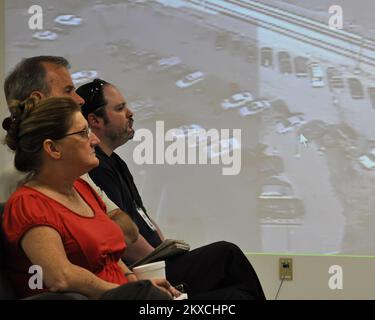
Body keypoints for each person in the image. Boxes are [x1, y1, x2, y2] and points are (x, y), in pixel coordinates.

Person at [77, 79, 266, 300]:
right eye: (119, 108)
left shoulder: (116, 162)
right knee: (227, 256)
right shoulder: (96, 167)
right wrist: (159, 261)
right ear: (95, 120)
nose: (130, 113)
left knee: (239, 292)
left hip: (157, 260)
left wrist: (166, 248)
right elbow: (121, 236)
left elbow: (141, 215)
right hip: (143, 269)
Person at [1, 96, 180, 300]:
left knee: (222, 258)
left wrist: (133, 282)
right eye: (83, 133)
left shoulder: (82, 187)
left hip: (118, 293)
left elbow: (108, 257)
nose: (94, 139)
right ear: (52, 148)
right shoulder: (28, 203)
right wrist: (127, 292)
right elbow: (61, 277)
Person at [3, 56, 139, 246]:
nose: (80, 99)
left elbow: (128, 231)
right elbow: (61, 274)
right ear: (38, 99)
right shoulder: (17, 187)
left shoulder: (77, 177)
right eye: (68, 90)